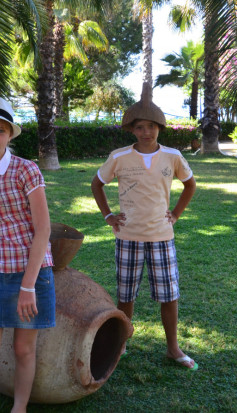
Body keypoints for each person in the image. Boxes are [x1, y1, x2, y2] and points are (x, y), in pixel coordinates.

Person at [90, 103, 198, 371]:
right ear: (132, 130)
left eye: (151, 126)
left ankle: (173, 348)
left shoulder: (172, 156)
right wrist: (108, 216)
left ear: (160, 127)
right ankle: (121, 344)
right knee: (126, 294)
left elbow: (190, 184)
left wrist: (175, 214)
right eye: (139, 127)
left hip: (162, 237)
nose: (146, 132)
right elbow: (97, 183)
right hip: (128, 237)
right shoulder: (120, 157)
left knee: (169, 295)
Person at [0, 97, 55, 413]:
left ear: (9, 135)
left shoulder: (26, 170)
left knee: (23, 350)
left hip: (32, 272)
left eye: (1, 130)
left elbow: (43, 229)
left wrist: (28, 286)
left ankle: (20, 408)